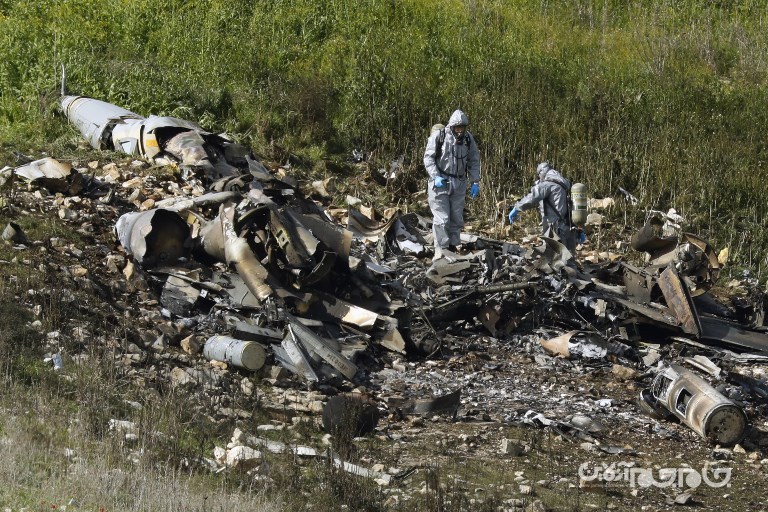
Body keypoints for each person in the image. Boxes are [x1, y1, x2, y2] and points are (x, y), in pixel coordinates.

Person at [423, 109, 481, 257]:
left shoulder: (468, 139)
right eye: (457, 127)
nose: (460, 131)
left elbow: (474, 160)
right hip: (441, 181)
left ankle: (453, 245)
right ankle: (441, 249)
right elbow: (428, 158)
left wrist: (475, 181)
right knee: (442, 218)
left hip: (459, 181)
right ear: (452, 126)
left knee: (456, 218)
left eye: (462, 127)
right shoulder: (440, 136)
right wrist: (435, 176)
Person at [508, 161, 581, 252]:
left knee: (554, 258)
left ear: (542, 171)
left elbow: (532, 198)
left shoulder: (547, 184)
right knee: (569, 259)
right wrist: (580, 230)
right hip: (569, 227)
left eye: (539, 174)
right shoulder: (567, 185)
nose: (539, 177)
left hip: (555, 228)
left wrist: (516, 208)